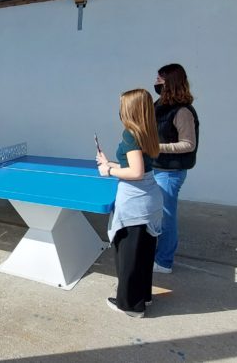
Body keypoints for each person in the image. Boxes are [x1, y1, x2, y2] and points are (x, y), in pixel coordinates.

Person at [97, 89, 163, 318]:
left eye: (122, 105)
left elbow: (135, 172)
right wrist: (112, 162)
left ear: (130, 109)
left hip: (135, 203)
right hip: (150, 199)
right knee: (142, 255)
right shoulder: (148, 131)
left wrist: (109, 170)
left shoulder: (130, 135)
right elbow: (138, 165)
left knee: (128, 257)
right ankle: (143, 297)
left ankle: (130, 306)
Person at [151, 64, 199, 274]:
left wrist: (157, 147)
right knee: (156, 214)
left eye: (160, 80)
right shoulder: (159, 104)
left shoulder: (183, 111)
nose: (156, 82)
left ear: (170, 82)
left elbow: (188, 144)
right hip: (157, 167)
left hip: (170, 172)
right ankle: (157, 253)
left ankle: (164, 261)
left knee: (166, 217)